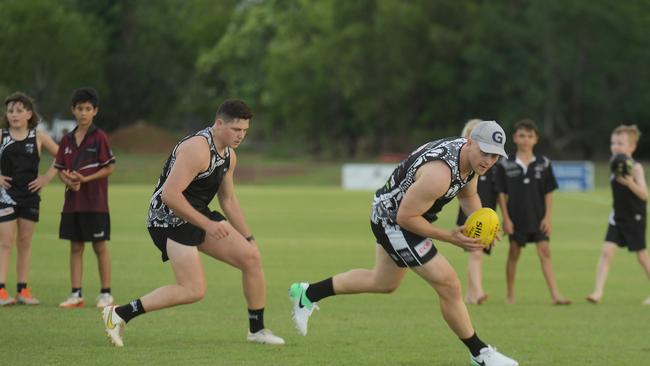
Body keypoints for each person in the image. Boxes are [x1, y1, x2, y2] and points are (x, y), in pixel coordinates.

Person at [290, 121, 518, 366]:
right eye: (485, 153)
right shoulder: (439, 174)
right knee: (449, 283)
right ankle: (480, 354)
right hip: (394, 221)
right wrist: (449, 236)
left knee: (383, 282)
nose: (489, 160)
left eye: (495, 156)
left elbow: (468, 195)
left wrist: (483, 224)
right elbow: (405, 218)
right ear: (470, 142)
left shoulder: (471, 161)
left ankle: (308, 293)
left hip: (403, 215)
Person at [101, 99, 284, 347]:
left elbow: (228, 199)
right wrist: (208, 225)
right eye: (236, 130)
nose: (241, 136)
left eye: (245, 131)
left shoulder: (229, 155)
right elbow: (170, 195)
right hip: (167, 220)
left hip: (196, 214)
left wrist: (248, 237)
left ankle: (257, 330)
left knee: (251, 258)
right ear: (219, 124)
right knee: (193, 290)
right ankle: (119, 314)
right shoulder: (197, 148)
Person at [495, 118, 570, 305]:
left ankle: (555, 295)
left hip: (538, 218)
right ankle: (510, 295)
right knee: (513, 254)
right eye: (522, 135)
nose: (526, 139)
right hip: (516, 218)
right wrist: (506, 219)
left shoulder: (544, 163)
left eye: (530, 136)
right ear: (514, 138)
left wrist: (547, 217)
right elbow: (501, 194)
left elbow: (548, 192)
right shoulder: (506, 164)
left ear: (536, 139)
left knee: (545, 252)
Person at [55, 88, 116, 309]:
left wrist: (85, 179)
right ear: (73, 110)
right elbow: (60, 168)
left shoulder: (99, 138)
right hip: (73, 204)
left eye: (88, 109)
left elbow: (109, 168)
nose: (83, 113)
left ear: (95, 111)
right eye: (80, 108)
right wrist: (68, 180)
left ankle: (106, 294)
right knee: (76, 247)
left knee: (99, 246)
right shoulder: (66, 140)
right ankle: (76, 294)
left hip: (96, 203)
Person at [0, 92, 58, 306]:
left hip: (31, 197)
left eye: (18, 110)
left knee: (25, 242)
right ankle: (1, 290)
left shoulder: (38, 136)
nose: (13, 115)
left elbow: (61, 156)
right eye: (10, 111)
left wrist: (46, 178)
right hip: (5, 197)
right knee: (5, 243)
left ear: (28, 113)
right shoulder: (2, 135)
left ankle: (23, 290)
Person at [586, 125, 650, 305]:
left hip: (635, 217)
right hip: (617, 216)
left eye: (620, 143)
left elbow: (645, 196)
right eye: (613, 143)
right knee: (607, 252)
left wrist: (631, 183)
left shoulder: (636, 168)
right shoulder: (614, 164)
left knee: (642, 256)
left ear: (632, 147)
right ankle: (597, 292)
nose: (615, 147)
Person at [455, 119, 500, 305]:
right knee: (476, 252)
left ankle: (471, 294)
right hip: (471, 212)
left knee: (478, 253)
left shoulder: (490, 163)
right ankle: (477, 292)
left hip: (487, 213)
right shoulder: (464, 164)